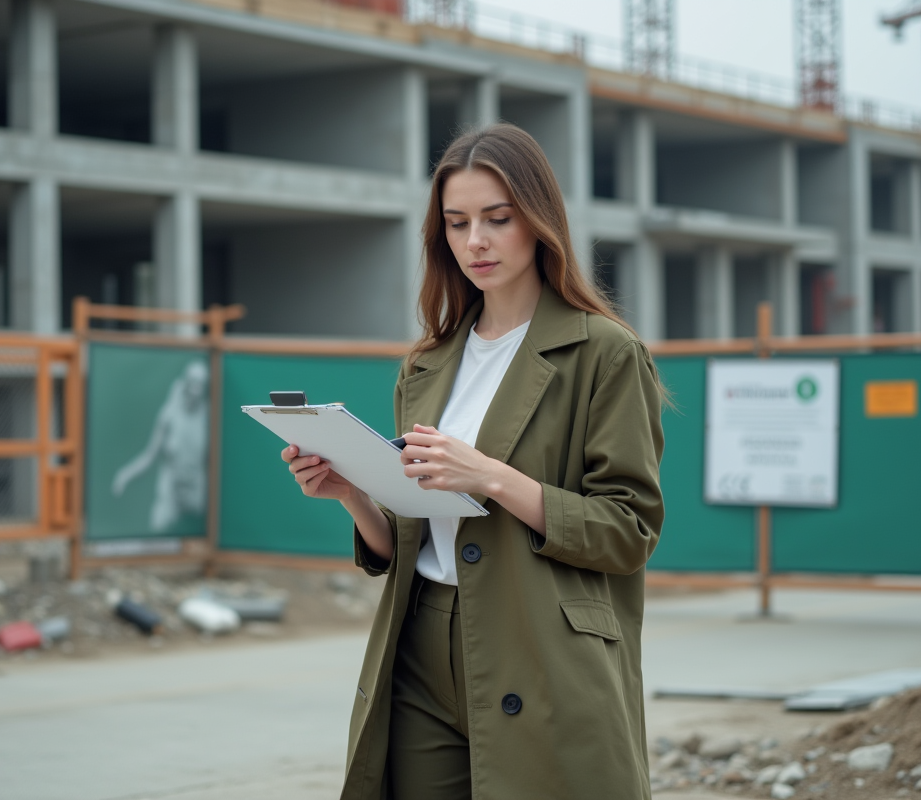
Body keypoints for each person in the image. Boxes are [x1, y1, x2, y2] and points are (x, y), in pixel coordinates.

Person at [281, 123, 665, 800]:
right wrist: (351, 491)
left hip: (541, 639)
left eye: (497, 219)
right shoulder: (428, 364)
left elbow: (626, 531)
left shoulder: (604, 354)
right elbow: (413, 536)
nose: (475, 242)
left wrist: (490, 475)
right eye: (457, 224)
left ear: (539, 221)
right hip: (422, 641)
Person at [112, 360, 209, 532]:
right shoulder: (169, 414)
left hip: (195, 489)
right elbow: (149, 455)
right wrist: (125, 475)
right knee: (159, 526)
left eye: (200, 384)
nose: (196, 389)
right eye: (193, 382)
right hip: (171, 489)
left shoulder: (208, 417)